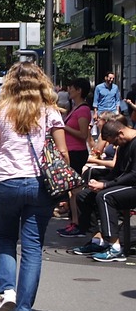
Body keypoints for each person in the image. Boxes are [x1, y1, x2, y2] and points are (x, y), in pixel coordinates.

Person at [0, 62, 67, 311]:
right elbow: (63, 152)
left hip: (6, 182)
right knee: (33, 246)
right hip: (39, 184)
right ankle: (25, 310)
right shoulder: (50, 111)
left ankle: (8, 291)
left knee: (6, 238)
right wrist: (63, 185)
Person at [83, 118, 136, 262]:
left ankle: (115, 248)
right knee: (85, 195)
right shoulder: (123, 145)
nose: (114, 145)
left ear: (120, 133)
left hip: (133, 186)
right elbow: (117, 171)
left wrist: (106, 185)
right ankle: (97, 240)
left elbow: (133, 174)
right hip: (127, 184)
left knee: (105, 196)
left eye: (114, 142)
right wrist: (101, 182)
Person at [55, 78, 93, 238]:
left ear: (79, 90)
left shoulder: (83, 110)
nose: (69, 90)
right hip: (72, 151)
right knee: (71, 190)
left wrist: (64, 127)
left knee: (74, 190)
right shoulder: (75, 108)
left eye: (72, 88)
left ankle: (78, 223)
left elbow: (83, 134)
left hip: (76, 152)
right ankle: (74, 221)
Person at [92, 71, 121, 136]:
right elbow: (95, 101)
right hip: (102, 111)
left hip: (112, 111)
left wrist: (117, 111)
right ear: (105, 78)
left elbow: (117, 100)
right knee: (101, 130)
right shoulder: (98, 87)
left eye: (113, 78)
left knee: (112, 130)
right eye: (110, 78)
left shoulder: (115, 87)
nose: (111, 80)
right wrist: (95, 113)